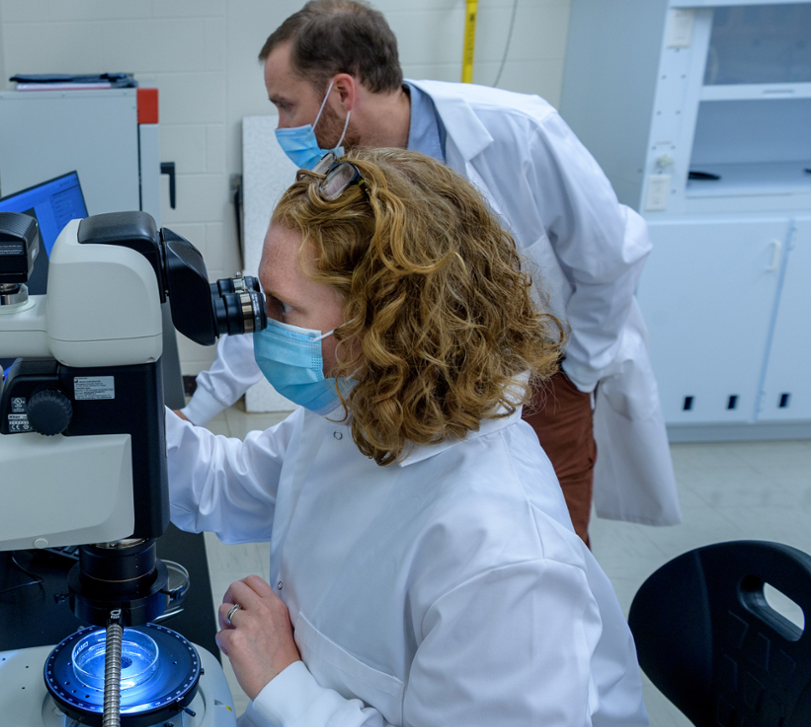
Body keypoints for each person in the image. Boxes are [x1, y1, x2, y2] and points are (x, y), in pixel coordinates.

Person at [167, 147, 648, 727]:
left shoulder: (503, 561)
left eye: (283, 308)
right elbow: (228, 481)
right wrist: (118, 405)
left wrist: (284, 683)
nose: (258, 327)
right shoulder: (356, 407)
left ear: (382, 328)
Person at [178, 0, 679, 545]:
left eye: (285, 105)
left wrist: (572, 374)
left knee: (534, 536)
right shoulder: (341, 170)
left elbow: (612, 258)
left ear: (342, 93)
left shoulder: (519, 131)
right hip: (407, 390)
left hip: (543, 379)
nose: (281, 125)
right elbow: (286, 299)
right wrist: (195, 409)